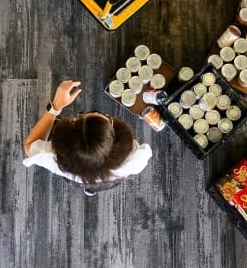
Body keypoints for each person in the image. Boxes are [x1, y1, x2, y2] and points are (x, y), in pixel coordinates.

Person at [23, 80, 152, 195]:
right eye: (105, 116)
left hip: (75, 176)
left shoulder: (51, 154)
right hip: (109, 178)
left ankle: (88, 188)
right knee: (97, 187)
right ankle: (91, 190)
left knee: (79, 182)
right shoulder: (135, 159)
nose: (94, 112)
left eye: (79, 118)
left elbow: (30, 146)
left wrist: (55, 107)